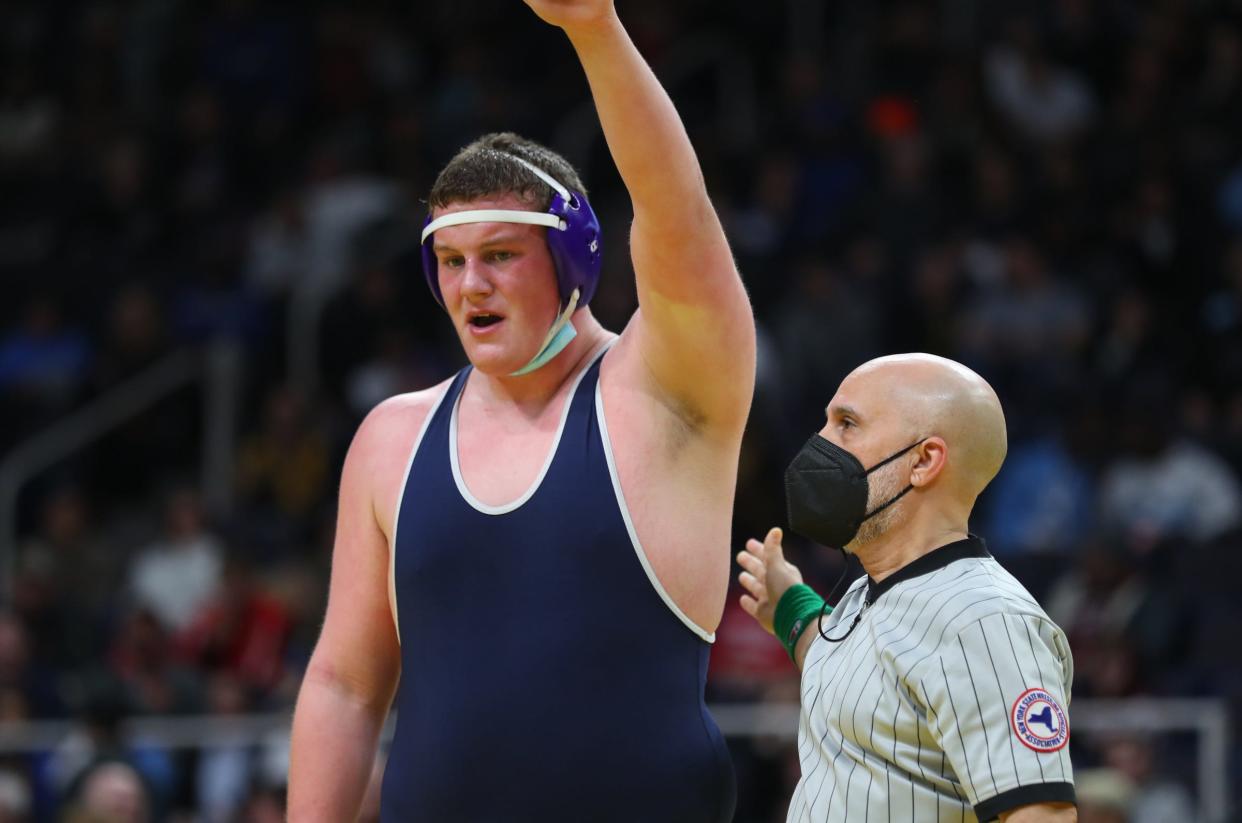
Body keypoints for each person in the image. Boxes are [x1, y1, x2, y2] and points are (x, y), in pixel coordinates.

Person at [288, 0, 755, 820]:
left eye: (501, 256)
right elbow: (345, 684)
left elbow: (675, 214)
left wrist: (593, 27)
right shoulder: (394, 437)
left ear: (573, 260)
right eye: (452, 261)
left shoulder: (664, 390)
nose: (471, 285)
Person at [737, 354, 1077, 822]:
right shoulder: (869, 595)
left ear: (924, 461)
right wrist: (789, 606)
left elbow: (1042, 816)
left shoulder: (983, 618)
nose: (820, 443)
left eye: (847, 424)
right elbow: (851, 671)